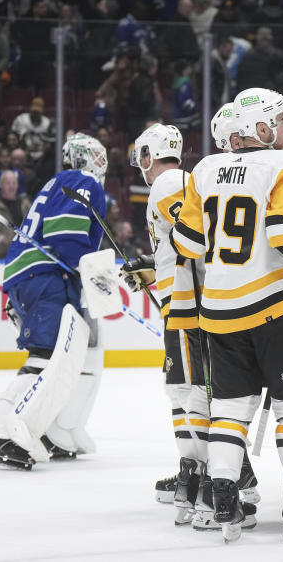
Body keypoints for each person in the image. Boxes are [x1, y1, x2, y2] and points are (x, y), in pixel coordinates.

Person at [171, 88, 283, 543]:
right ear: (260, 128)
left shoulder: (203, 168)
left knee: (228, 409)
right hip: (273, 305)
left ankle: (224, 498)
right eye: (281, 121)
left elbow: (188, 244)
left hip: (218, 309)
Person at [117, 123, 221, 527]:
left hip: (191, 307)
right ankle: (192, 475)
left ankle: (211, 479)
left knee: (194, 393)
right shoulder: (175, 184)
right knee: (181, 392)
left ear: (149, 155)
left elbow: (197, 242)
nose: (139, 165)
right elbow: (180, 245)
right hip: (180, 304)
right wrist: (152, 267)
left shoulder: (171, 182)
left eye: (141, 156)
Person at [0, 133, 108, 470]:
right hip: (44, 276)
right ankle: (6, 436)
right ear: (84, 158)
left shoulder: (58, 180)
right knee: (45, 355)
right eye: (97, 156)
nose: (102, 162)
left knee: (55, 354)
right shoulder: (82, 180)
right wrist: (90, 271)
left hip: (34, 275)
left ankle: (49, 432)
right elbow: (65, 234)